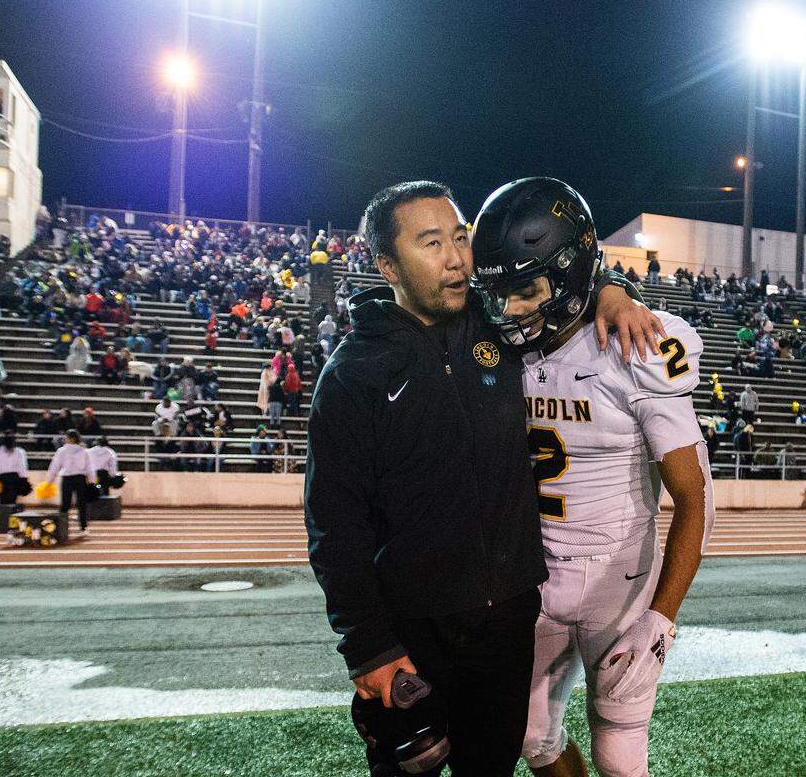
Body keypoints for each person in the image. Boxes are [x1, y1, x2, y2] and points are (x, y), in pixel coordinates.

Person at [304, 180, 664, 777]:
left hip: (508, 620)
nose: (455, 258)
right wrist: (368, 645)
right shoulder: (353, 376)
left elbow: (558, 276)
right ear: (386, 264)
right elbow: (334, 526)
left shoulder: (501, 323)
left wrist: (613, 290)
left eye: (460, 237)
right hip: (411, 633)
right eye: (430, 243)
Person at [469, 177, 714, 777]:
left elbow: (695, 496)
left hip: (620, 584)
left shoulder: (637, 345)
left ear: (574, 268)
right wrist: (610, 285)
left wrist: (661, 620)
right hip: (532, 579)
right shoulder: (501, 347)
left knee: (620, 754)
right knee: (530, 738)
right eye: (502, 295)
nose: (512, 312)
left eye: (527, 290)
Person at [45, 429, 93, 536]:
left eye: (66, 437)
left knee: (65, 504)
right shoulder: (84, 451)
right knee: (82, 504)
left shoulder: (62, 451)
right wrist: (91, 481)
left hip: (67, 479)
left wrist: (49, 480)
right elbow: (89, 467)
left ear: (72, 439)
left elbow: (55, 466)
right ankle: (84, 527)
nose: (64, 439)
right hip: (80, 479)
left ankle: (61, 528)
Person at [0, 431, 29, 507]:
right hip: (12, 478)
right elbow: (22, 467)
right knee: (11, 501)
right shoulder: (19, 451)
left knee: (3, 500)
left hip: (3, 478)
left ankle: (5, 517)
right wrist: (24, 478)